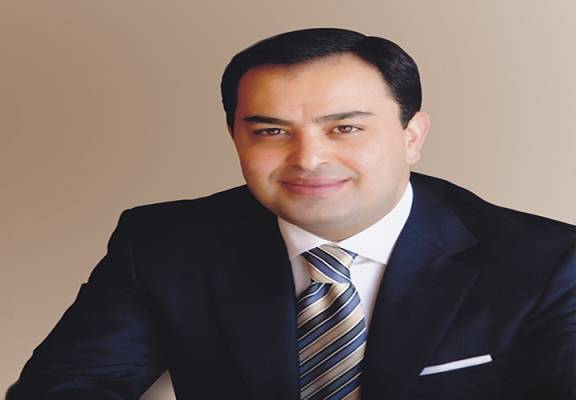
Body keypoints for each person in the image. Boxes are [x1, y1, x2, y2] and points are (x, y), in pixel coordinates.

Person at [7, 28, 576, 400]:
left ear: (412, 136)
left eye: (345, 128)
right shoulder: (162, 244)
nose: (308, 159)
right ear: (235, 138)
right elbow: (66, 388)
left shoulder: (547, 261)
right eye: (271, 132)